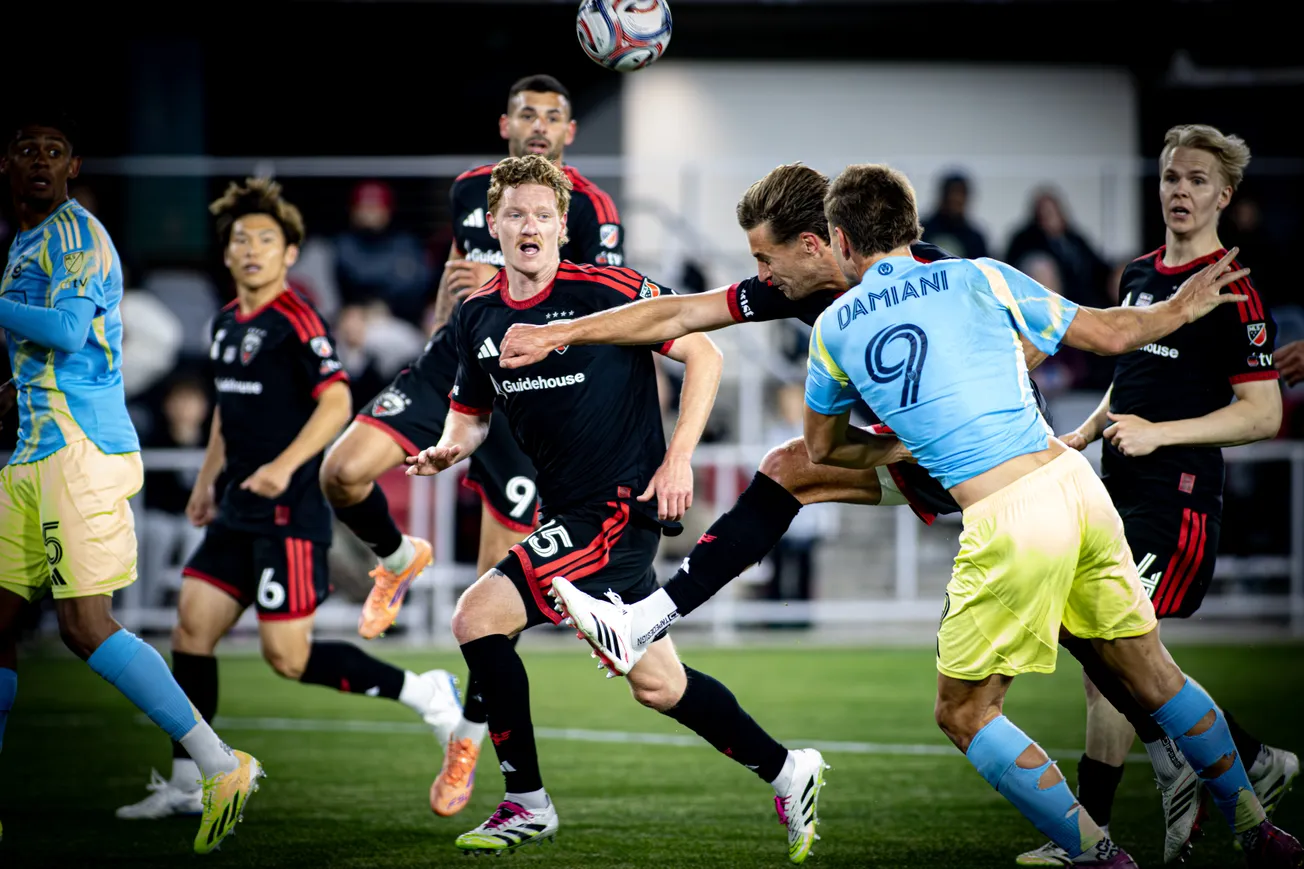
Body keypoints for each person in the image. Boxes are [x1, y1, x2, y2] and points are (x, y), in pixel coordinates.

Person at [801, 162, 1301, 867]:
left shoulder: (832, 329)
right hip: (1078, 485)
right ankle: (1257, 827)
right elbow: (1104, 333)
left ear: (842, 240)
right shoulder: (981, 274)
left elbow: (824, 446)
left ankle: (1092, 850)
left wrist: (905, 445)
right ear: (913, 230)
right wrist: (1179, 310)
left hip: (1007, 515)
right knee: (1155, 676)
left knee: (965, 712)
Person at [405, 154, 827, 863]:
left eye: (543, 213)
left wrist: (679, 456)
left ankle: (526, 803)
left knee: (477, 615)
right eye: (515, 214)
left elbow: (704, 355)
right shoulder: (477, 317)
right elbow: (469, 416)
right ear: (493, 225)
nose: (529, 226)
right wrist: (447, 449)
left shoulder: (608, 288)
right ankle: (790, 770)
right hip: (569, 513)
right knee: (660, 685)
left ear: (563, 225)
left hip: (621, 511)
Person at [501, 163, 1035, 669]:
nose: (760, 274)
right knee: (788, 467)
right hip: (927, 455)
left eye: (765, 258)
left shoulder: (927, 274)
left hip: (1003, 456)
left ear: (811, 245)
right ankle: (642, 622)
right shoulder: (796, 286)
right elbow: (680, 312)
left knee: (1054, 668)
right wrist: (560, 332)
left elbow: (1030, 341)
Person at [317, 72, 626, 817]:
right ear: (505, 124)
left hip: (527, 395)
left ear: (571, 132)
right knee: (342, 472)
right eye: (528, 114)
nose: (541, 126)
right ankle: (397, 556)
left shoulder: (590, 207)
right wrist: (448, 303)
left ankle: (467, 732)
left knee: (494, 600)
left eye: (555, 116)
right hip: (451, 359)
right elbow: (459, 292)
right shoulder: (467, 191)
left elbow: (604, 308)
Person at [114, 178, 461, 822]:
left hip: (289, 516)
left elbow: (335, 401)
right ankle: (191, 782)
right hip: (238, 511)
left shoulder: (298, 319)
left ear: (290, 254)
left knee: (288, 660)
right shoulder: (223, 324)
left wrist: (283, 466)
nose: (251, 249)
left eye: (266, 239)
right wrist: (205, 479)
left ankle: (426, 690)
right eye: (240, 239)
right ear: (226, 254)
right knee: (191, 629)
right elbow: (228, 410)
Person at [1017, 124, 1296, 867]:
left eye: (1198, 180)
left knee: (1108, 644)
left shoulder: (1233, 291)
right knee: (1100, 664)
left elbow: (1263, 413)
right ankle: (1238, 760)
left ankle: (1100, 831)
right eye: (1172, 176)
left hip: (1178, 497)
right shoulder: (1138, 274)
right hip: (1118, 483)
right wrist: (1086, 430)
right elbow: (1129, 375)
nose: (1180, 189)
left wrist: (1160, 435)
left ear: (1223, 196)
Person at [0, 110, 260, 855]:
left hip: (78, 451)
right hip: (30, 450)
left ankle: (220, 764)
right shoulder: (23, 244)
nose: (42, 162)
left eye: (55, 152)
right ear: (6, 166)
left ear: (73, 168)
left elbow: (67, 332)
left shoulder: (76, 235)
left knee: (85, 625)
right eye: (27, 151)